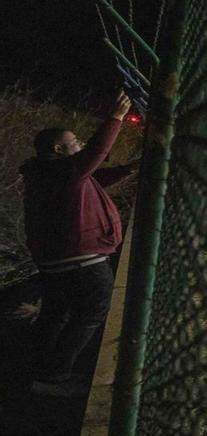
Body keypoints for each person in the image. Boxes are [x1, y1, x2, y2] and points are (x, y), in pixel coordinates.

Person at [18, 92, 136, 397]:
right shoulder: (59, 171)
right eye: (75, 141)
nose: (81, 143)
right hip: (80, 262)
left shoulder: (52, 174)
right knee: (91, 313)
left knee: (57, 314)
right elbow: (94, 154)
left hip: (63, 261)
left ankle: (40, 368)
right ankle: (54, 375)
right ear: (58, 149)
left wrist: (131, 167)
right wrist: (116, 118)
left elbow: (94, 176)